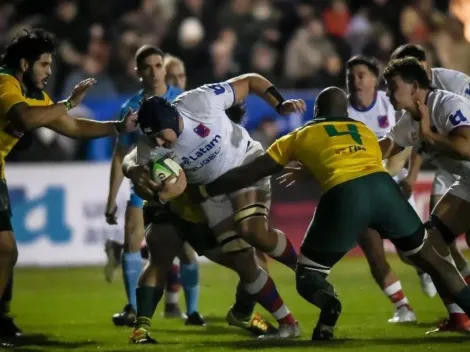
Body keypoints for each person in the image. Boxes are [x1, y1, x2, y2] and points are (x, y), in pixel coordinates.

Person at [188, 86, 470, 340]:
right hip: (385, 190)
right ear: (345, 112)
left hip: (345, 195)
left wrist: (208, 190)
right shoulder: (365, 132)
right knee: (435, 259)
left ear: (316, 111)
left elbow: (252, 171)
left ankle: (329, 306)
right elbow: (352, 157)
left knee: (308, 275)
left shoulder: (301, 135)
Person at [134, 73, 306, 338]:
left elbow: (250, 81)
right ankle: (283, 322)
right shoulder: (151, 146)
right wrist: (158, 191)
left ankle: (302, 273)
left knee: (253, 240)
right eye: (153, 138)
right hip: (206, 199)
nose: (158, 142)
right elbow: (132, 166)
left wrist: (280, 104)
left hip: (240, 172)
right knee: (245, 263)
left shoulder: (199, 103)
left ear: (169, 119)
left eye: (159, 135)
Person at [0, 28, 136, 338]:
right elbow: (25, 120)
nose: (49, 71)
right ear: (24, 65)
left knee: (6, 251)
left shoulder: (33, 93)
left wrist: (118, 126)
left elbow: (72, 127)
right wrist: (70, 102)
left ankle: (3, 322)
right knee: (5, 249)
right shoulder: (5, 83)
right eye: (44, 64)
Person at [121, 148, 277, 344]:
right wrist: (134, 169)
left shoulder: (218, 138)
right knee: (159, 261)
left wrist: (132, 167)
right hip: (183, 214)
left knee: (256, 266)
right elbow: (130, 157)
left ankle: (241, 313)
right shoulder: (192, 134)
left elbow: (130, 157)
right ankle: (142, 329)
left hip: (204, 220)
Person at [104, 46, 204, 326]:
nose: (154, 71)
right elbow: (121, 155)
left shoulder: (181, 100)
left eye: (158, 65)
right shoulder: (131, 110)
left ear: (164, 67)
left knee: (185, 248)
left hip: (180, 182)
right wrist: (111, 198)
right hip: (146, 183)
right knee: (132, 235)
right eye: (147, 67)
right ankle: (133, 307)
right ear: (138, 72)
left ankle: (193, 310)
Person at [380, 56, 470, 333]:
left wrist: (430, 136)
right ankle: (460, 317)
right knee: (432, 245)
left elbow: (466, 147)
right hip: (467, 182)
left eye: (393, 86)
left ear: (414, 86)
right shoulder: (409, 121)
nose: (388, 93)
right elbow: (384, 148)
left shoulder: (447, 103)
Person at [346, 55, 431, 324]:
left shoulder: (391, 103)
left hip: (394, 184)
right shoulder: (342, 112)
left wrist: (411, 177)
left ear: (374, 79)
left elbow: (415, 140)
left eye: (361, 75)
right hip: (360, 188)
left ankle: (429, 274)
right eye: (350, 77)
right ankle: (403, 307)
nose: (355, 81)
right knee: (373, 251)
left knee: (411, 252)